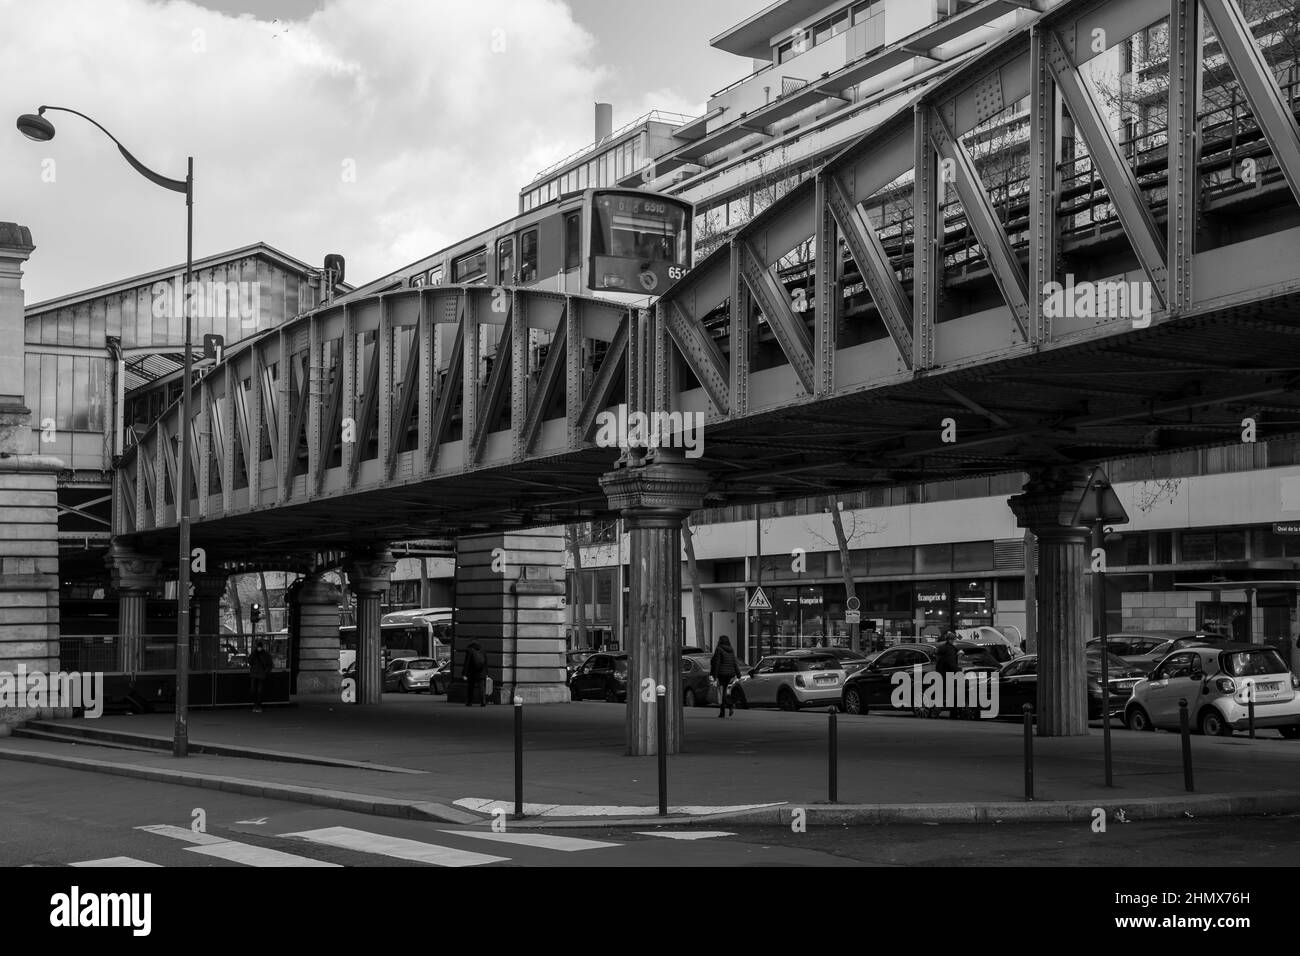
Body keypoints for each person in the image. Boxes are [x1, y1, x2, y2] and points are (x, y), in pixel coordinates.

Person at [710, 635, 740, 718]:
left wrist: (714, 675)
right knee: (724, 691)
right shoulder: (731, 650)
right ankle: (726, 709)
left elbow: (717, 663)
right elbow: (734, 662)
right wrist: (738, 674)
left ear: (720, 641)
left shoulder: (719, 649)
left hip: (721, 674)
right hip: (730, 674)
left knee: (722, 692)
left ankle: (725, 709)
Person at [935, 630, 960, 718]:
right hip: (949, 674)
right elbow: (951, 663)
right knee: (951, 695)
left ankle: (936, 711)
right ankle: (953, 714)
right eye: (954, 639)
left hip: (940, 674)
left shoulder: (941, 648)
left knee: (941, 693)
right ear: (952, 640)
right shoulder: (950, 650)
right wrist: (958, 670)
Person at [248, 641, 273, 713]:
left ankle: (257, 705)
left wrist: (265, 672)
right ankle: (257, 705)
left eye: (259, 647)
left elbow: (269, 665)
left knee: (258, 691)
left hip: (258, 675)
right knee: (255, 690)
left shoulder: (265, 655)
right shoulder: (256, 654)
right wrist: (266, 672)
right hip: (258, 675)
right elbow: (250, 661)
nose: (259, 648)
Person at [463, 640, 487, 707]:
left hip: (472, 672)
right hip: (481, 672)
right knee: (481, 688)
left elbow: (467, 663)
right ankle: (483, 702)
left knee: (470, 688)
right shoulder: (483, 650)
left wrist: (464, 674)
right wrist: (486, 673)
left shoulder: (470, 650)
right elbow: (485, 662)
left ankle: (469, 702)